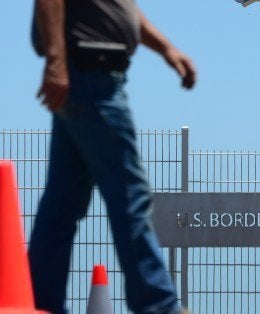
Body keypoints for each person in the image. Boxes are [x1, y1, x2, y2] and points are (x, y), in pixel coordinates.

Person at [28, 0, 196, 313]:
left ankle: (41, 303)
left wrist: (166, 49)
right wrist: (56, 60)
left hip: (90, 77)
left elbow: (123, 9)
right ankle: (158, 306)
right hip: (91, 77)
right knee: (129, 196)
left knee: (62, 205)